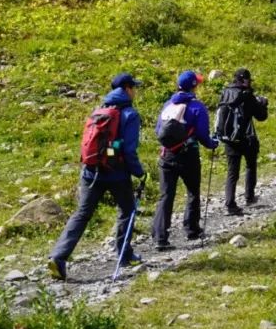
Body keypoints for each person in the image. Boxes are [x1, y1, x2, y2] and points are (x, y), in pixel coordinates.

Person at [48, 72, 146, 281]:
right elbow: (129, 150)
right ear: (127, 89)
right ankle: (124, 254)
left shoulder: (99, 111)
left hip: (91, 172)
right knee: (127, 210)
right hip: (117, 173)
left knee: (82, 214)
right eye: (133, 87)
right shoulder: (129, 114)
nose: (135, 91)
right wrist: (139, 172)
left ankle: (58, 257)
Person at [151, 70, 218, 247]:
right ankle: (192, 229)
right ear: (194, 87)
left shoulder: (167, 104)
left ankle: (160, 236)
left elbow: (158, 130)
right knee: (193, 192)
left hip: (166, 155)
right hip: (188, 155)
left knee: (166, 195)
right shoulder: (197, 107)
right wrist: (213, 144)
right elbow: (203, 135)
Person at [216, 68, 269, 215]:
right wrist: (263, 104)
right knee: (250, 165)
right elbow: (261, 116)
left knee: (232, 173)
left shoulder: (225, 93)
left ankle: (230, 203)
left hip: (229, 139)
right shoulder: (247, 95)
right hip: (246, 137)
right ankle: (249, 196)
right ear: (245, 80)